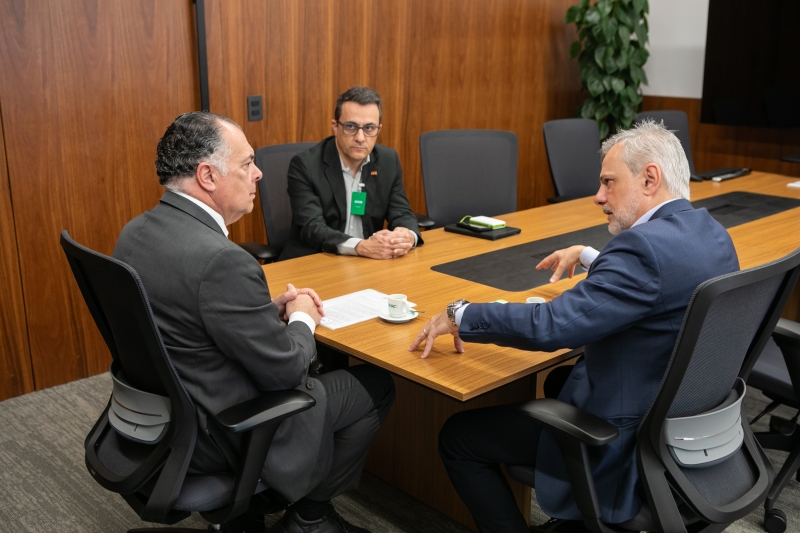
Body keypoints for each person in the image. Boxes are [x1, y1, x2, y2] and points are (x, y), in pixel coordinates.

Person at [408, 121, 740, 532]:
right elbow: (661, 281)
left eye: (608, 182)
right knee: (560, 381)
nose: (599, 197)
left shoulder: (641, 248)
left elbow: (551, 326)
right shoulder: (711, 232)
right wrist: (589, 255)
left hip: (623, 440)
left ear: (649, 178)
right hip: (679, 431)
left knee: (459, 436)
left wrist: (461, 313)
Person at [113, 111, 395, 533]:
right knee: (374, 386)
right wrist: (302, 319)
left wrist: (263, 310)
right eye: (247, 163)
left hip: (159, 415)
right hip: (220, 429)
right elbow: (285, 370)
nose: (259, 173)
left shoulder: (135, 232)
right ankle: (309, 520)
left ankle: (247, 516)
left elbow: (187, 317)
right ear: (207, 175)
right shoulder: (222, 260)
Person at [279, 86, 422, 260]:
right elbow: (312, 228)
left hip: (369, 262)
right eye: (351, 127)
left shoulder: (388, 160)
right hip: (318, 259)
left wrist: (405, 235)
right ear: (335, 126)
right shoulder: (305, 165)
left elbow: (402, 213)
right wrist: (360, 246)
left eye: (369, 128)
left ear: (379, 129)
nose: (360, 137)